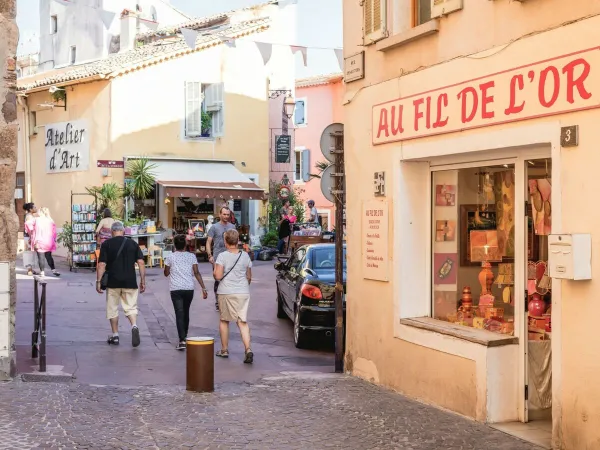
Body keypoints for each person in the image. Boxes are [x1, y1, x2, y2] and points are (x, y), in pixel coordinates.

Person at [96, 222, 146, 347]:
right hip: (130, 281)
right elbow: (141, 262)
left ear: (112, 232)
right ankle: (134, 326)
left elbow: (101, 264)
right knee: (131, 307)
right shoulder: (133, 244)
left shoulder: (106, 244)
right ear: (123, 231)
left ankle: (115, 335)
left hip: (113, 282)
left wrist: (98, 281)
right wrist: (143, 280)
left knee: (112, 308)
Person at [214, 229, 253, 363]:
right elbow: (249, 277)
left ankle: (224, 350)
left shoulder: (222, 256)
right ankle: (248, 349)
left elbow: (218, 276)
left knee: (224, 320)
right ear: (238, 241)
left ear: (226, 241)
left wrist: (215, 269)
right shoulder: (245, 256)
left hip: (226, 292)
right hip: (243, 292)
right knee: (242, 322)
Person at [164, 234, 209, 351]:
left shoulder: (170, 257)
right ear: (185, 245)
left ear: (174, 245)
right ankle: (185, 335)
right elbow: (196, 272)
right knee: (186, 312)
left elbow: (166, 273)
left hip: (176, 289)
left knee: (179, 313)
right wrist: (203, 288)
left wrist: (169, 267)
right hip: (189, 288)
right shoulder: (192, 257)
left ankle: (182, 340)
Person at [206, 207, 235, 311]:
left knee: (229, 280)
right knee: (218, 280)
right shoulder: (214, 227)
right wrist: (210, 256)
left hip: (230, 258)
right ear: (220, 214)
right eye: (224, 214)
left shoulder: (232, 227)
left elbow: (235, 242)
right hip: (217, 258)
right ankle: (218, 301)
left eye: (228, 215)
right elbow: (208, 242)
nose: (226, 216)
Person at [32, 207, 59, 277]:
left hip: (39, 241)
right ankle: (53, 270)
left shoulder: (36, 220)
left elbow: (31, 228)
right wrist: (54, 240)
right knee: (49, 256)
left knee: (41, 258)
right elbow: (54, 233)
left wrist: (33, 239)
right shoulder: (50, 220)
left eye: (38, 211)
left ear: (41, 212)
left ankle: (42, 272)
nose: (37, 212)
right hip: (49, 242)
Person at [23, 203, 38, 276]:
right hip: (29, 237)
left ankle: (31, 269)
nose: (36, 208)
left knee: (31, 253)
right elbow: (29, 228)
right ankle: (29, 269)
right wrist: (30, 237)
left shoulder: (31, 216)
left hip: (30, 236)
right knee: (29, 253)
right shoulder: (29, 216)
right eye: (34, 207)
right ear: (30, 209)